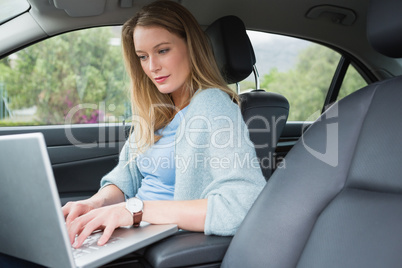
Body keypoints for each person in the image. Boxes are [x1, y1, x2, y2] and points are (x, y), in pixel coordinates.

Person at [62, 0, 266, 249]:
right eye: (142, 56)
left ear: (191, 47)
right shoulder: (156, 110)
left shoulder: (212, 105)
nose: (152, 67)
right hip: (133, 234)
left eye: (162, 51)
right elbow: (127, 177)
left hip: (165, 245)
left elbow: (243, 203)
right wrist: (95, 204)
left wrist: (137, 211)